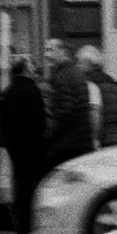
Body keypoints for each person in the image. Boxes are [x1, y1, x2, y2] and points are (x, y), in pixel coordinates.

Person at [0, 58, 47, 234]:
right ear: (25, 70)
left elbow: (2, 119)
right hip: (32, 144)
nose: (34, 69)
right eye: (31, 66)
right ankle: (30, 222)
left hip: (14, 145)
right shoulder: (33, 90)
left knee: (19, 180)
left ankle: (20, 221)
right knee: (32, 183)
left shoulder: (8, 91)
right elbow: (40, 121)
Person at [41, 41, 95, 171]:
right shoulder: (75, 72)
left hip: (67, 145)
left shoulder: (63, 76)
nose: (46, 55)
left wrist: (47, 134)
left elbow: (65, 111)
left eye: (50, 50)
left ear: (63, 52)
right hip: (79, 142)